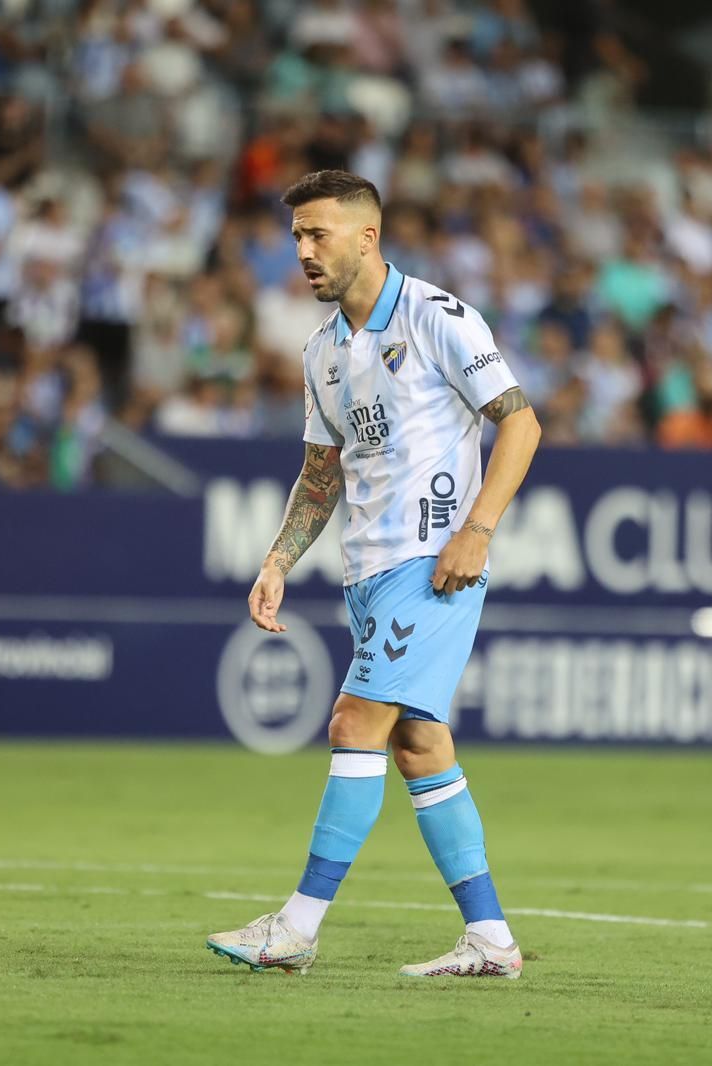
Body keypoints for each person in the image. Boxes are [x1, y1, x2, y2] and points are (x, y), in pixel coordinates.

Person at [206, 170, 541, 978]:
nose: (303, 252)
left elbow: (521, 423)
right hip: (368, 574)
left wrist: (479, 530)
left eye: (318, 234)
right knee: (421, 746)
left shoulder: (437, 318)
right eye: (296, 237)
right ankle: (491, 940)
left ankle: (296, 927)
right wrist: (279, 559)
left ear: (367, 236)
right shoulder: (323, 352)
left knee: (355, 722)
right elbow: (322, 474)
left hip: (431, 565)